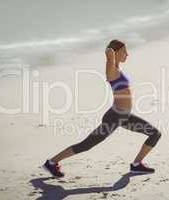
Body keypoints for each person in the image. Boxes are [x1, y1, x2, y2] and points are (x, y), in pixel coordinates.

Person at [43, 39, 162, 178]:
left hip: (124, 117)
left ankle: (136, 165)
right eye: (124, 51)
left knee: (155, 133)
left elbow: (113, 56)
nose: (127, 54)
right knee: (86, 145)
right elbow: (109, 53)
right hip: (115, 117)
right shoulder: (111, 70)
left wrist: (115, 52)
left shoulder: (117, 68)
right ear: (115, 53)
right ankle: (51, 162)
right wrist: (110, 51)